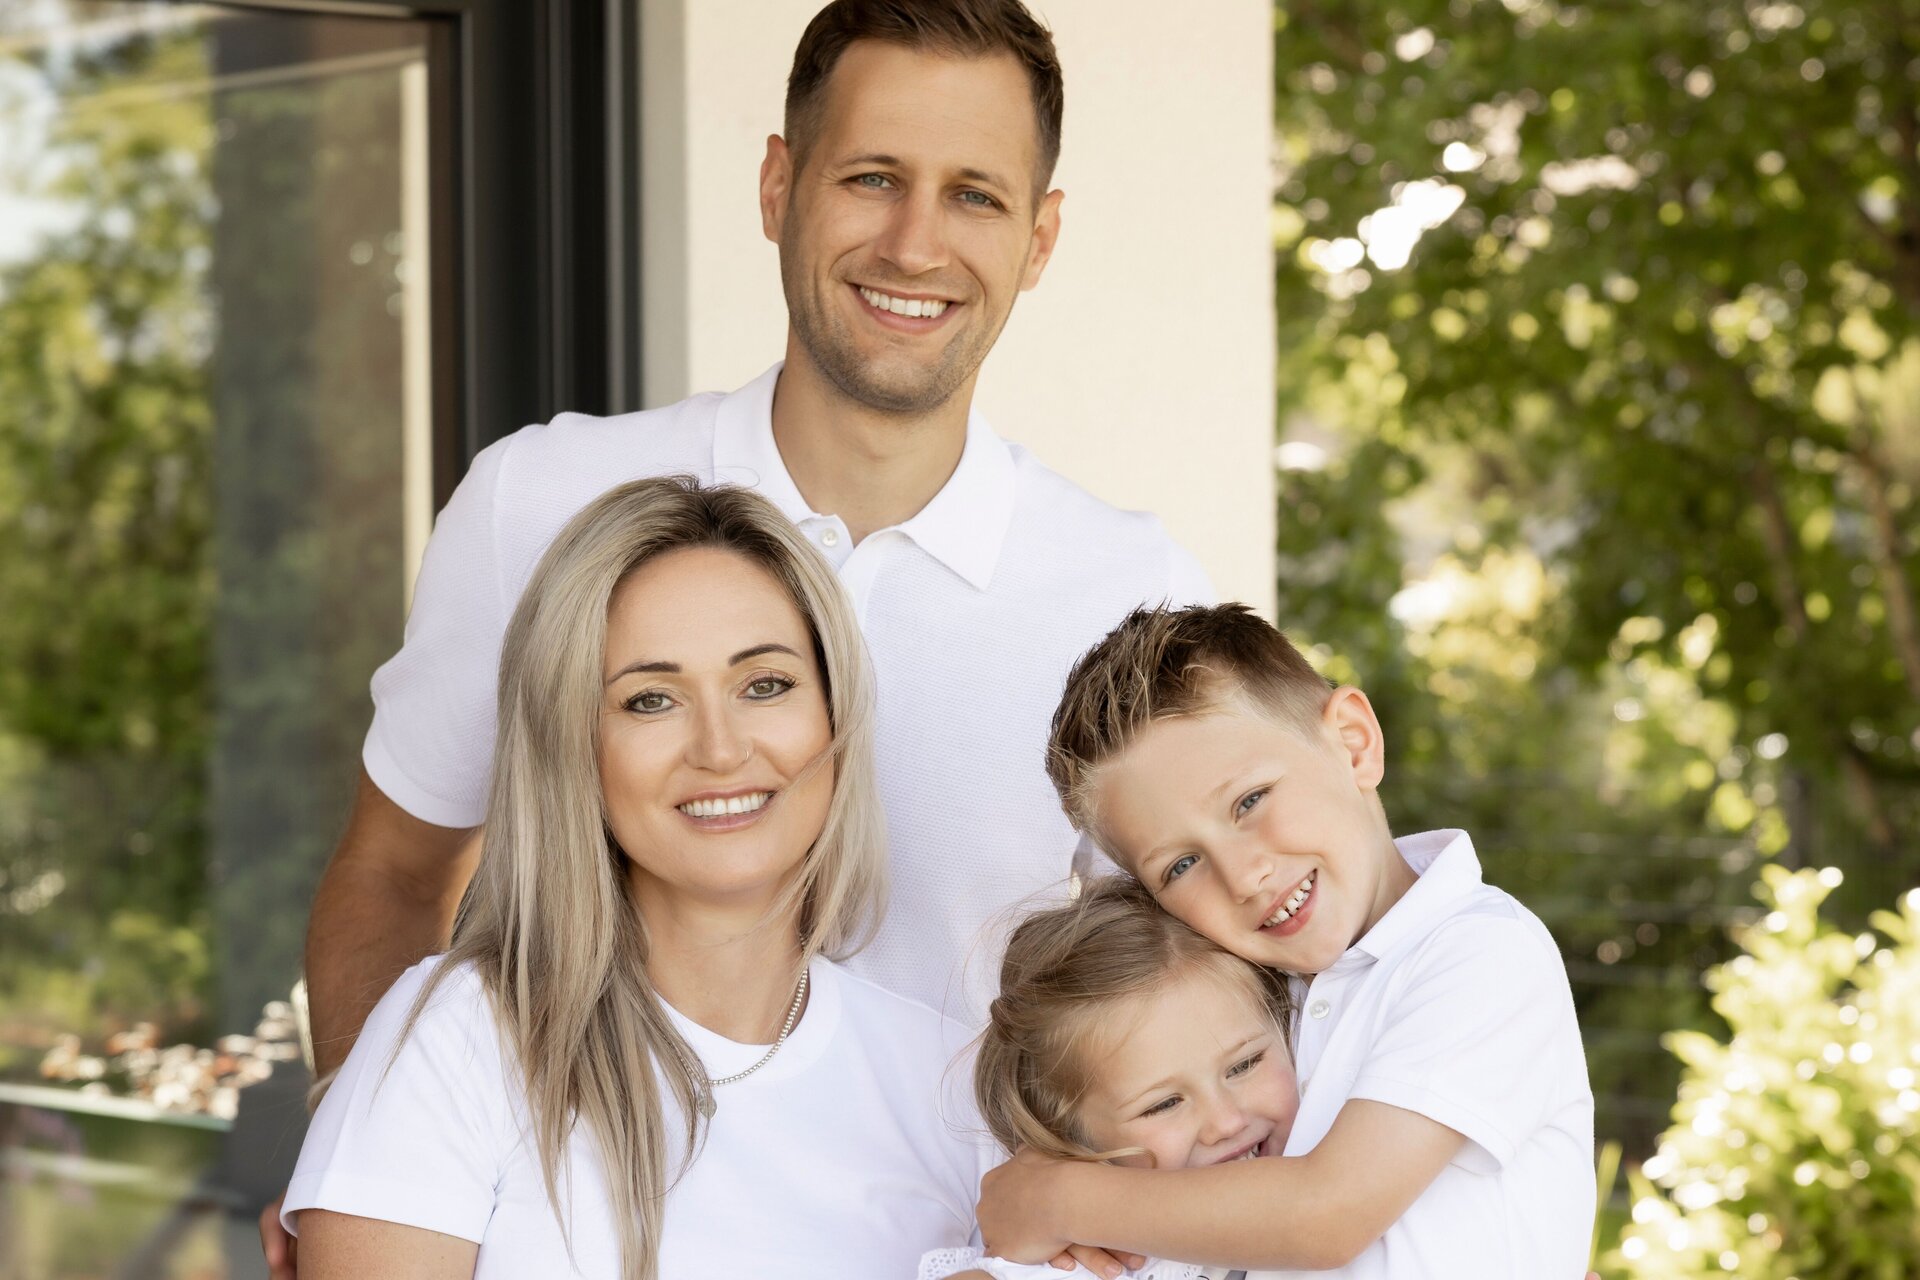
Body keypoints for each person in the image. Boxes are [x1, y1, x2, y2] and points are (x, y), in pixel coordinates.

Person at [280, 477, 992, 1279]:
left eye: (766, 685)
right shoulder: (458, 1045)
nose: (720, 750)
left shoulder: (956, 1087)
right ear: (573, 746)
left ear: (835, 714)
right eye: (650, 700)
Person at [976, 604, 1596, 1277]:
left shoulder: (1479, 954)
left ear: (1354, 742)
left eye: (1249, 801)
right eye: (1180, 866)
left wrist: (1057, 1198)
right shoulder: (1255, 1009)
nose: (1243, 876)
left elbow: (1328, 1215)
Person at [920, 875, 1299, 1280]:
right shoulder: (1096, 1261)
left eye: (1244, 1065)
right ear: (1072, 1142)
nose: (1227, 1123)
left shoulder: (1343, 1143)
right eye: (1164, 1104)